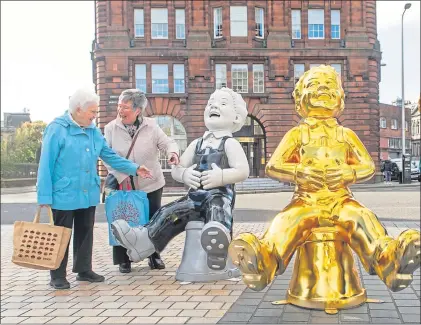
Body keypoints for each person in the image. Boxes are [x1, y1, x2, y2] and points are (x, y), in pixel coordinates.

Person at [229, 65, 420, 293]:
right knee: (287, 222)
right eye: (314, 85)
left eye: (329, 85)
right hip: (305, 201)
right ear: (300, 98)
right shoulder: (297, 134)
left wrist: (350, 172)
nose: (322, 89)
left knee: (363, 219)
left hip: (341, 200)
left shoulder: (345, 135)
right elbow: (273, 165)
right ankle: (264, 260)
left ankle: (389, 261)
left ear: (339, 97)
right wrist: (299, 172)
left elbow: (368, 165)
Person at [111, 87, 249, 271]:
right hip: (194, 199)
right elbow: (178, 167)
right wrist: (184, 174)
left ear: (237, 118)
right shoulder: (197, 143)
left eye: (222, 103)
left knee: (218, 210)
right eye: (210, 103)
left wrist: (221, 176)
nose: (213, 106)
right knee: (169, 212)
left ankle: (218, 247)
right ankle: (143, 239)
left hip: (219, 194)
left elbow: (243, 170)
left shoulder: (230, 144)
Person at [37, 87, 152, 289]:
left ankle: (84, 270)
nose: (95, 115)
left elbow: (109, 155)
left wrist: (134, 169)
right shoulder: (57, 129)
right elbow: (45, 164)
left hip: (87, 193)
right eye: (92, 111)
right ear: (79, 109)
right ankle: (57, 275)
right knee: (61, 235)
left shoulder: (92, 131)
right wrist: (44, 196)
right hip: (63, 194)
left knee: (85, 231)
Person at [104, 89, 179, 273]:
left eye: (125, 107)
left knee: (152, 220)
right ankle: (123, 259)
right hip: (123, 184)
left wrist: (173, 153)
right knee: (122, 219)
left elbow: (167, 143)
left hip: (150, 184)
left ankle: (154, 256)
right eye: (119, 105)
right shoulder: (110, 128)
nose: (120, 110)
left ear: (138, 110)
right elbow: (107, 157)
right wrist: (122, 177)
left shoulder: (151, 126)